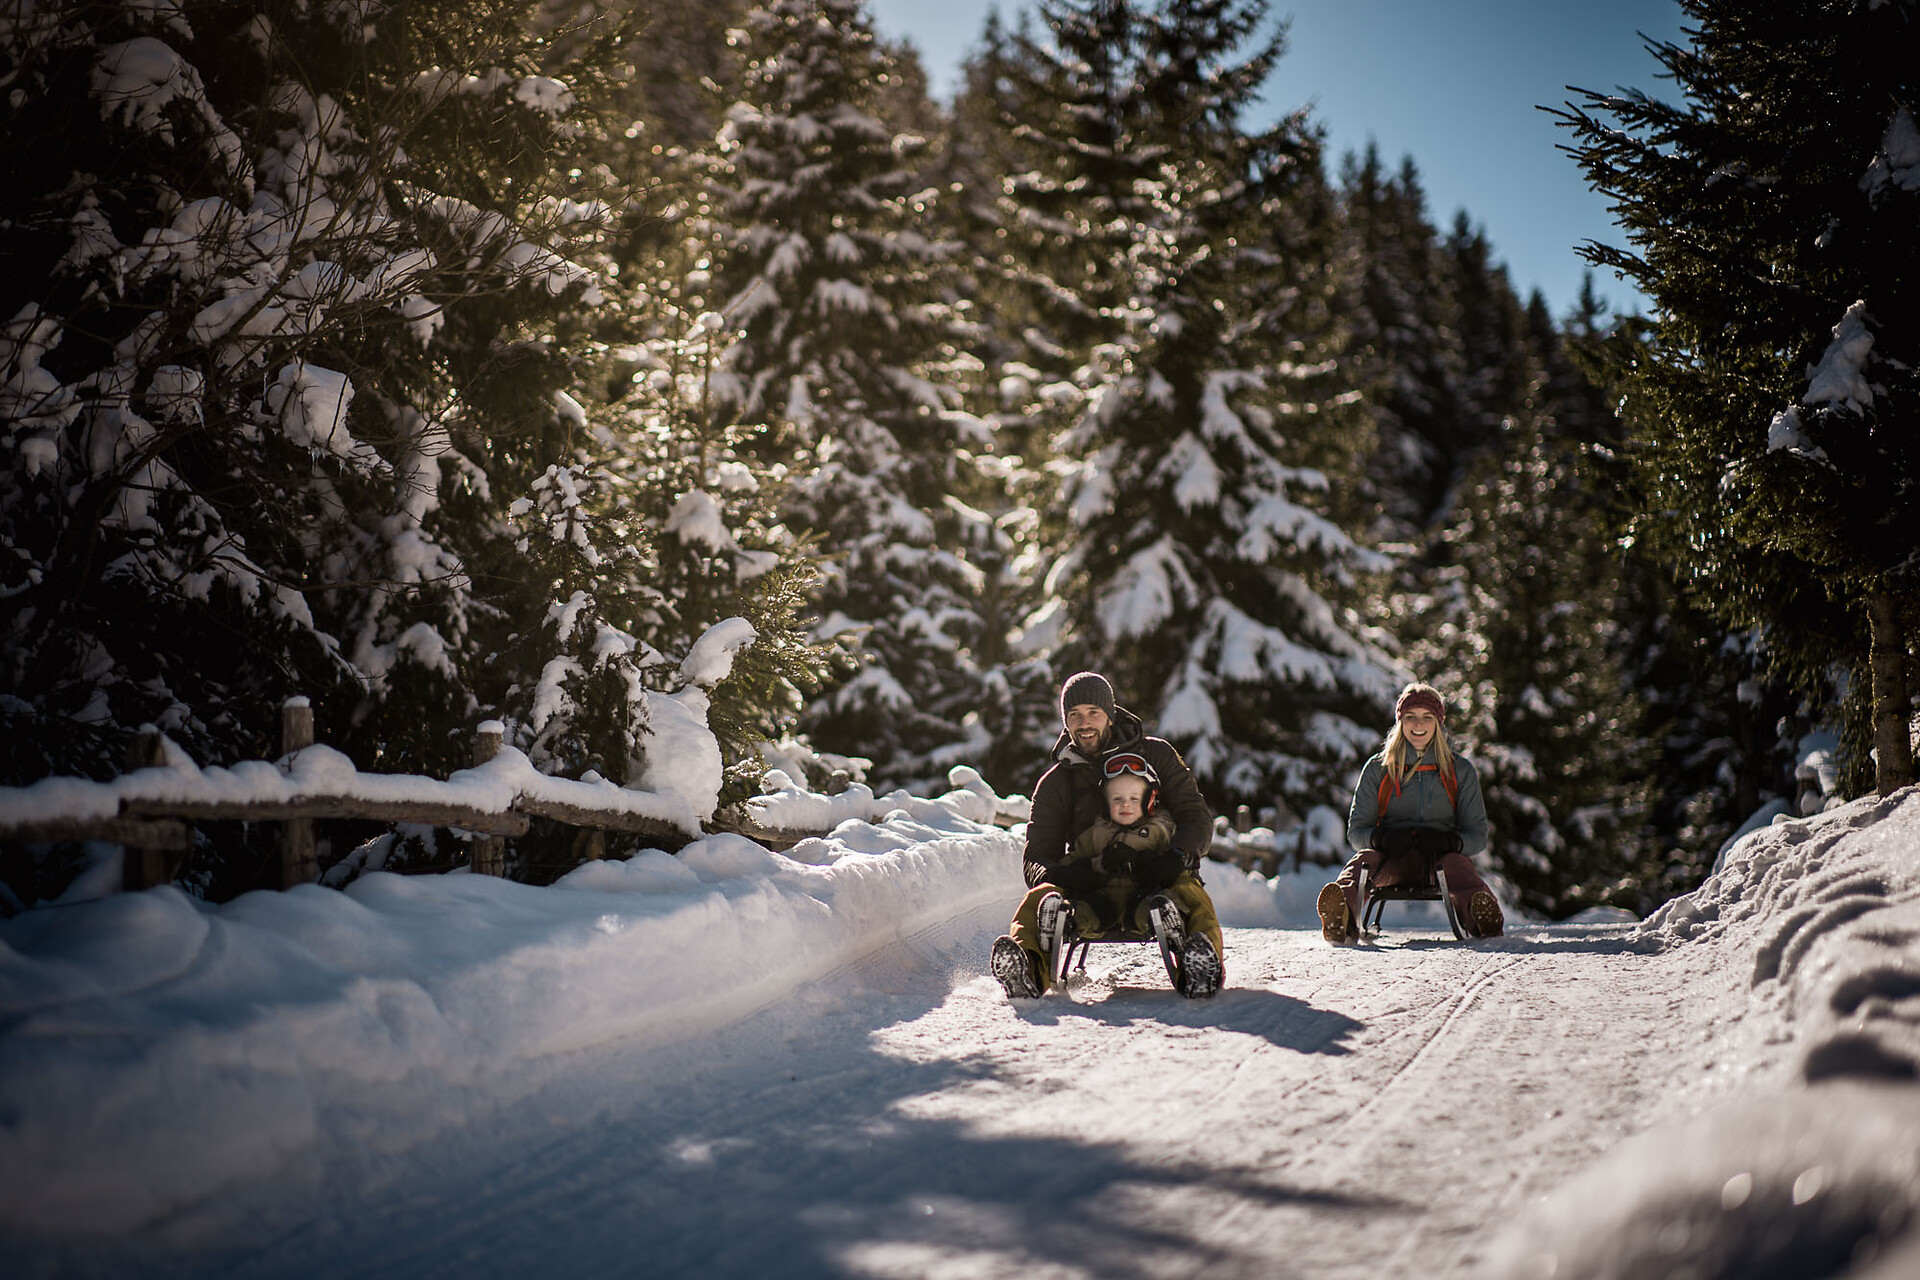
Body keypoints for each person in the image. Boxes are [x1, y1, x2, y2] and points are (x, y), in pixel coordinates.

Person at [990, 672, 1224, 998]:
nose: (1084, 724)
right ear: (1066, 723)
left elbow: (1196, 818)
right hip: (1092, 885)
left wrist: (1177, 856)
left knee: (1191, 894)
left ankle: (1200, 967)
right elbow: (1037, 853)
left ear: (1110, 715)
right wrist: (1059, 874)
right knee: (1039, 897)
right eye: (1075, 716)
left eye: (1093, 713)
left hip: (1157, 875)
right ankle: (1027, 968)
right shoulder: (1057, 783)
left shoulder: (1156, 756)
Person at [1317, 682, 1504, 943]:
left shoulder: (1459, 770)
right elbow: (1356, 831)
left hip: (1439, 860)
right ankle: (1341, 918)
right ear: (1400, 721)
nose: (1419, 724)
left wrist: (1450, 842)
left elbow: (1478, 835)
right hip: (1392, 858)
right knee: (1363, 861)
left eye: (1427, 717)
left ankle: (1482, 918)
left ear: (1438, 722)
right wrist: (1381, 839)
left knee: (1458, 865)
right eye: (1410, 717)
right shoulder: (1378, 769)